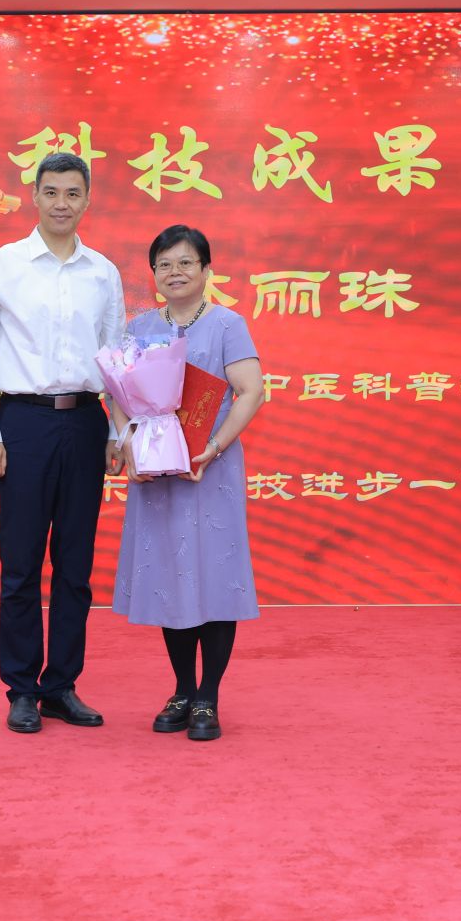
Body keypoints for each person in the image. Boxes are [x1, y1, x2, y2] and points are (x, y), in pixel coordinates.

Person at [0, 151, 127, 734]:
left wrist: (119, 431)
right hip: (23, 424)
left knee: (76, 566)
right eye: (52, 192)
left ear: (88, 200)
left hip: (84, 423)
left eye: (73, 193)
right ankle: (22, 689)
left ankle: (61, 686)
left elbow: (116, 361)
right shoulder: (1, 266)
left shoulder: (102, 273)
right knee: (21, 563)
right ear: (34, 196)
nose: (62, 203)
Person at [109, 224, 264, 741]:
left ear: (205, 269)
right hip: (158, 475)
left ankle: (208, 697)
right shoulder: (139, 329)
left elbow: (250, 391)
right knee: (170, 576)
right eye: (164, 265)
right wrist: (127, 441)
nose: (174, 272)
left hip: (208, 470)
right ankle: (181, 689)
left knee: (213, 576)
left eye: (185, 263)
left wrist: (213, 446)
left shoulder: (226, 325)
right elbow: (119, 396)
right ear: (153, 273)